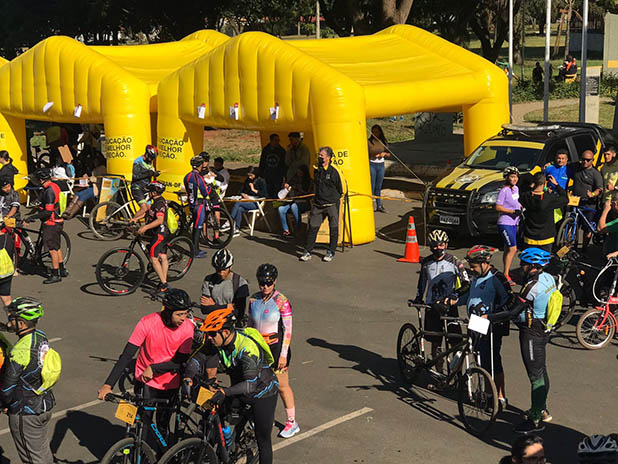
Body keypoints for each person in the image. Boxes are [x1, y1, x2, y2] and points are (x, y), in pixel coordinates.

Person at [97, 289, 194, 438]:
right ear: (168, 312)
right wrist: (108, 385)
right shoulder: (148, 322)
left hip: (170, 384)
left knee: (162, 426)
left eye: (186, 313)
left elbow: (179, 362)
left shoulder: (188, 328)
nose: (184, 318)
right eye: (179, 314)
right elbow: (127, 355)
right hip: (145, 382)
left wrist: (154, 368)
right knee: (142, 424)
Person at [191, 307, 279, 464]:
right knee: (212, 411)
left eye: (212, 334)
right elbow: (198, 359)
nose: (209, 338)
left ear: (225, 332)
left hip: (262, 393)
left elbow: (251, 385)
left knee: (263, 439)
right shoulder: (216, 340)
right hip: (239, 385)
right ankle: (222, 447)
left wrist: (225, 391)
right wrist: (187, 378)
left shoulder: (247, 348)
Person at [485, 248, 555, 433]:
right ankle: (542, 409)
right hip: (543, 329)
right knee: (541, 370)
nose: (521, 267)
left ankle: (535, 421)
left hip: (531, 333)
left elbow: (512, 312)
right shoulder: (549, 278)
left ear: (533, 266)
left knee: (535, 376)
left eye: (524, 264)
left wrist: (489, 318)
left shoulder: (532, 286)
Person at [0, 297, 55, 464]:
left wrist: (6, 404)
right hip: (43, 405)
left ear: (22, 324)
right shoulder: (41, 337)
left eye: (12, 317)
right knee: (43, 455)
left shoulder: (19, 352)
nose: (9, 320)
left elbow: (7, 389)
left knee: (33, 460)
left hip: (26, 413)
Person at [456, 245, 511, 408]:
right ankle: (488, 394)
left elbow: (507, 302)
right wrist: (454, 300)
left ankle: (499, 397)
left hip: (491, 326)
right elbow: (470, 295)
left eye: (473, 266)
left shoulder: (497, 278)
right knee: (481, 359)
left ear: (484, 263)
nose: (471, 270)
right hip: (475, 324)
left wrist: (493, 318)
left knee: (493, 361)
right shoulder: (476, 276)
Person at [249, 264, 299, 438]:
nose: (265, 286)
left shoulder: (282, 302)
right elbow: (250, 325)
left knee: (282, 387)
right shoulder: (253, 300)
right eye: (262, 283)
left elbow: (288, 330)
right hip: (259, 349)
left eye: (268, 283)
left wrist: (283, 355)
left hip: (277, 349)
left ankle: (292, 422)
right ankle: (265, 417)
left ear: (275, 281)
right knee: (260, 385)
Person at [413, 229, 470, 371]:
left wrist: (454, 295)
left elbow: (466, 283)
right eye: (434, 245)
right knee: (435, 342)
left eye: (440, 245)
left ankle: (457, 374)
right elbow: (422, 283)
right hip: (432, 307)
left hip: (449, 307)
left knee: (456, 342)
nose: (438, 248)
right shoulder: (426, 263)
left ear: (446, 244)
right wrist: (418, 299)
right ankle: (438, 373)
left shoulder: (455, 262)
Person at [23, 169, 67, 284]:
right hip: (58, 221)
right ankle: (62, 269)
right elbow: (41, 199)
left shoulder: (49, 192)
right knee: (57, 247)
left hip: (51, 223)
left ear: (41, 180)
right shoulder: (54, 186)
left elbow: (48, 211)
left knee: (52, 249)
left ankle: (55, 274)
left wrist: (32, 217)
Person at [299, 147, 343, 263]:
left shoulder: (334, 172)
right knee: (313, 228)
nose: (319, 157)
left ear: (328, 158)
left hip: (331, 204)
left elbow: (340, 190)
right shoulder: (316, 170)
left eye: (322, 155)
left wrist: (332, 200)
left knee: (333, 228)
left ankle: (331, 252)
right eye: (319, 155)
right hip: (318, 205)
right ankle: (307, 251)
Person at [129, 181, 170, 292]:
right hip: (160, 232)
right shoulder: (156, 201)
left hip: (160, 233)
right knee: (163, 256)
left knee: (153, 258)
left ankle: (164, 284)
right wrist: (136, 219)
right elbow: (148, 212)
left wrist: (145, 227)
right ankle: (164, 280)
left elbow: (160, 220)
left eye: (150, 191)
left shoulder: (159, 203)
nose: (149, 193)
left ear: (154, 192)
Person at [519, 172, 568, 251]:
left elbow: (522, 194)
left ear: (533, 183)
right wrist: (556, 185)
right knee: (543, 261)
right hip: (546, 237)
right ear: (544, 183)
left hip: (529, 236)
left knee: (528, 260)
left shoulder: (526, 196)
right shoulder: (549, 198)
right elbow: (565, 199)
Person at [184, 153, 220, 258]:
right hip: (199, 205)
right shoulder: (198, 177)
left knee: (195, 225)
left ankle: (195, 248)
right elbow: (204, 191)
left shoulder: (187, 176)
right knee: (197, 227)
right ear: (199, 166)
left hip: (191, 203)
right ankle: (195, 250)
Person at [200, 248, 250, 321]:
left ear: (230, 267)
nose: (221, 273)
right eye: (218, 270)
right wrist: (227, 306)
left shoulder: (240, 283)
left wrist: (214, 305)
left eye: (224, 270)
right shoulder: (208, 280)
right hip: (213, 323)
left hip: (231, 325)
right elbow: (204, 309)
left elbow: (239, 313)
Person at [570, 149, 603, 250]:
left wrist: (593, 194)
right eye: (583, 159)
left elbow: (600, 189)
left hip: (589, 205)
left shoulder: (595, 173)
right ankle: (572, 246)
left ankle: (584, 249)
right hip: (576, 202)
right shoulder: (577, 168)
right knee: (573, 224)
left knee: (586, 229)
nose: (585, 162)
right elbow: (563, 161)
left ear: (592, 160)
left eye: (588, 160)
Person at [496, 167, 521, 284]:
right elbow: (498, 207)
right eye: (512, 176)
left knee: (507, 249)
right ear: (507, 178)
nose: (514, 179)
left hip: (514, 223)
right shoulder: (504, 191)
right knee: (513, 249)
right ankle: (506, 274)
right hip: (505, 222)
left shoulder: (516, 189)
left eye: (516, 176)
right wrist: (511, 212)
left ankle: (505, 272)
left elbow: (516, 202)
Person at [63, 152, 107, 220]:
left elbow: (102, 179)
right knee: (77, 194)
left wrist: (93, 179)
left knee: (82, 196)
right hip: (92, 187)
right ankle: (68, 210)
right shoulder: (96, 168)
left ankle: (71, 213)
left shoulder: (102, 168)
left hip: (97, 189)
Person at [229, 167, 268, 237]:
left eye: (251, 175)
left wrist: (254, 190)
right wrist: (243, 194)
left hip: (256, 203)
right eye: (249, 175)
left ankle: (230, 221)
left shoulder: (261, 181)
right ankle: (237, 228)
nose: (250, 177)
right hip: (247, 200)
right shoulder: (248, 180)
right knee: (239, 209)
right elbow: (241, 190)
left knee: (238, 203)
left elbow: (265, 195)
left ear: (255, 175)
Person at [277, 164, 312, 238]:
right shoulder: (295, 179)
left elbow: (308, 193)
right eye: (298, 173)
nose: (299, 175)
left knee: (294, 206)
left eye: (300, 173)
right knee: (281, 209)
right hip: (293, 200)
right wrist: (286, 185)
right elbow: (289, 183)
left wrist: (299, 189)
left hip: (304, 202)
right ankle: (286, 230)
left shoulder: (309, 181)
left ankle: (298, 227)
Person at [131, 145, 160, 217]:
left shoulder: (149, 162)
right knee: (143, 209)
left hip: (146, 188)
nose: (151, 160)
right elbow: (136, 176)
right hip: (137, 188)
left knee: (149, 210)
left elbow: (149, 172)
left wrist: (154, 174)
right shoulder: (138, 162)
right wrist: (149, 173)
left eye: (153, 158)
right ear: (146, 154)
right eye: (150, 157)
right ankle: (131, 223)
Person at [368, 124, 391, 213]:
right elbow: (365, 153)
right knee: (372, 186)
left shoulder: (383, 141)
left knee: (379, 186)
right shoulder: (369, 142)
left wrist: (384, 154)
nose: (374, 134)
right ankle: (369, 205)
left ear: (380, 132)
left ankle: (379, 205)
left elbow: (388, 153)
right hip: (372, 164)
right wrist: (374, 155)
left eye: (376, 132)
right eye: (373, 132)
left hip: (380, 165)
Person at [259, 134, 287, 198]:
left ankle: (276, 204)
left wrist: (284, 175)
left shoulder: (281, 151)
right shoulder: (266, 150)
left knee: (277, 191)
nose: (277, 142)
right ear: (271, 140)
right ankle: (270, 204)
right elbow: (262, 162)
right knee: (269, 190)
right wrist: (261, 173)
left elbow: (284, 164)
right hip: (268, 174)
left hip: (278, 175)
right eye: (276, 140)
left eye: (278, 140)